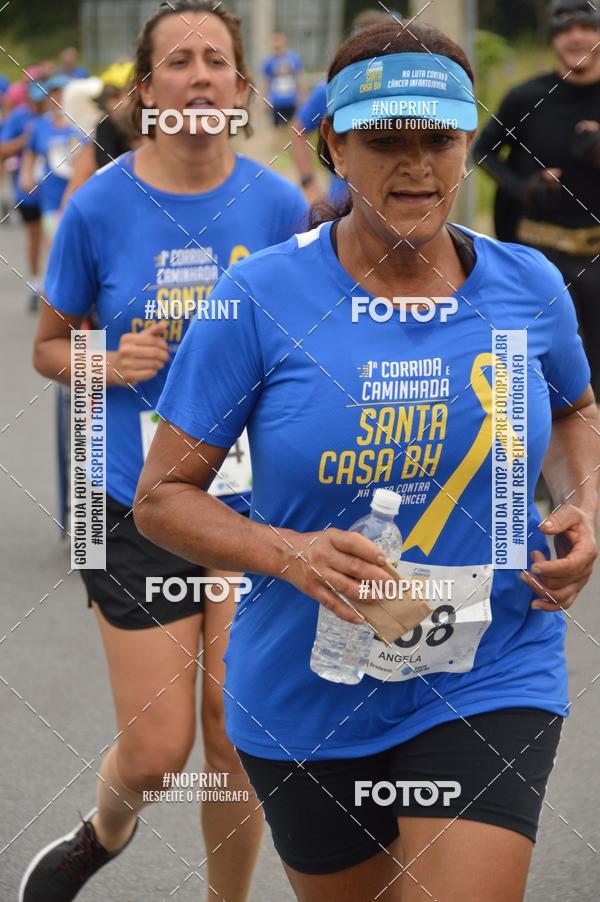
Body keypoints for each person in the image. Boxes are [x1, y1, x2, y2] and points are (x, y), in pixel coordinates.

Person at [134, 19, 600, 902]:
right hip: (308, 690)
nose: (418, 164)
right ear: (333, 148)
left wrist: (586, 509)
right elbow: (161, 497)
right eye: (386, 139)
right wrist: (290, 553)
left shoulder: (529, 285)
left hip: (492, 663)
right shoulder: (258, 297)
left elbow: (579, 409)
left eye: (440, 138)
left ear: (469, 143)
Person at [22, 2, 307, 901]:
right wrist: (102, 357)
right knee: (156, 754)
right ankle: (105, 830)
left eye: (216, 59)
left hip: (248, 501)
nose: (198, 75)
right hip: (130, 496)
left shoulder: (278, 204)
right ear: (146, 90)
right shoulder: (96, 206)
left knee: (235, 727)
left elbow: (307, 345)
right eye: (177, 60)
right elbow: (48, 347)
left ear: (239, 88)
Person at [473, 0, 600, 398]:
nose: (576, 36)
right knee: (527, 378)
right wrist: (521, 187)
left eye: (587, 27)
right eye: (564, 30)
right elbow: (481, 152)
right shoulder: (526, 98)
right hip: (537, 260)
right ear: (552, 40)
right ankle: (524, 460)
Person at [291, 8, 393, 207]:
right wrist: (309, 183)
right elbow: (298, 130)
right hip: (343, 210)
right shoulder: (333, 90)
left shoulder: (402, 92)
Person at [19, 74, 84, 248]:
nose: (58, 99)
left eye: (62, 93)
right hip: (51, 200)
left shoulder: (81, 124)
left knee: (78, 248)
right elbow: (30, 152)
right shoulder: (39, 126)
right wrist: (26, 175)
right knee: (56, 246)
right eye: (54, 94)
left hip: (80, 197)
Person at [62, 61, 140, 205]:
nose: (125, 102)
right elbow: (71, 203)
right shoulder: (95, 146)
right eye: (115, 96)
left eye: (132, 93)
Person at [0, 81, 46, 308]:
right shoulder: (19, 118)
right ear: (27, 99)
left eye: (42, 100)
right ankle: (36, 282)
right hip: (29, 192)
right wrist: (24, 141)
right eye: (35, 100)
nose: (39, 105)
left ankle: (55, 286)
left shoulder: (56, 118)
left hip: (56, 193)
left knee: (56, 240)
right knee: (35, 237)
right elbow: (3, 149)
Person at [261, 32, 305, 128]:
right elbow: (265, 82)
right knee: (277, 129)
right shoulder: (268, 61)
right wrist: (264, 101)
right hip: (276, 102)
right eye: (274, 41)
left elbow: (299, 79)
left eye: (279, 40)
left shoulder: (293, 58)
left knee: (293, 128)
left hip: (291, 101)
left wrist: (302, 97)